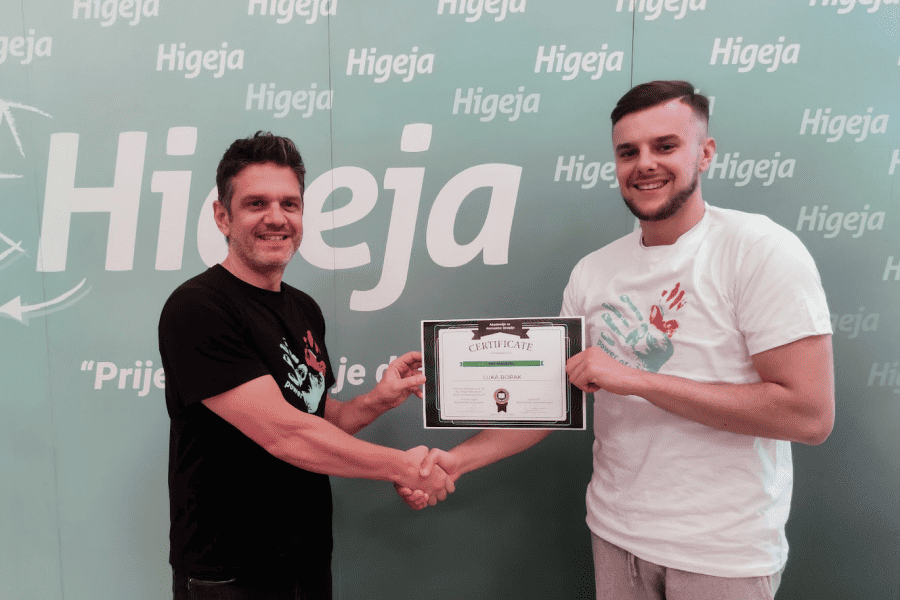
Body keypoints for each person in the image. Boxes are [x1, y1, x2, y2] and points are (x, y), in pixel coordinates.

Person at [400, 81, 835, 600]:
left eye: (665, 146)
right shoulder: (593, 272)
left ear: (705, 153)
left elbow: (809, 416)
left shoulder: (760, 251)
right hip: (616, 537)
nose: (644, 164)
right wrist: (458, 461)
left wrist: (637, 381)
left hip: (723, 553)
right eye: (628, 152)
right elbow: (548, 403)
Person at [159, 132, 450, 600]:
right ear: (222, 216)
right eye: (256, 204)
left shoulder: (303, 309)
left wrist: (376, 401)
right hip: (230, 574)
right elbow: (285, 434)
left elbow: (315, 418)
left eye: (289, 204)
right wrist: (401, 466)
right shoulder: (198, 308)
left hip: (304, 561)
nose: (276, 218)